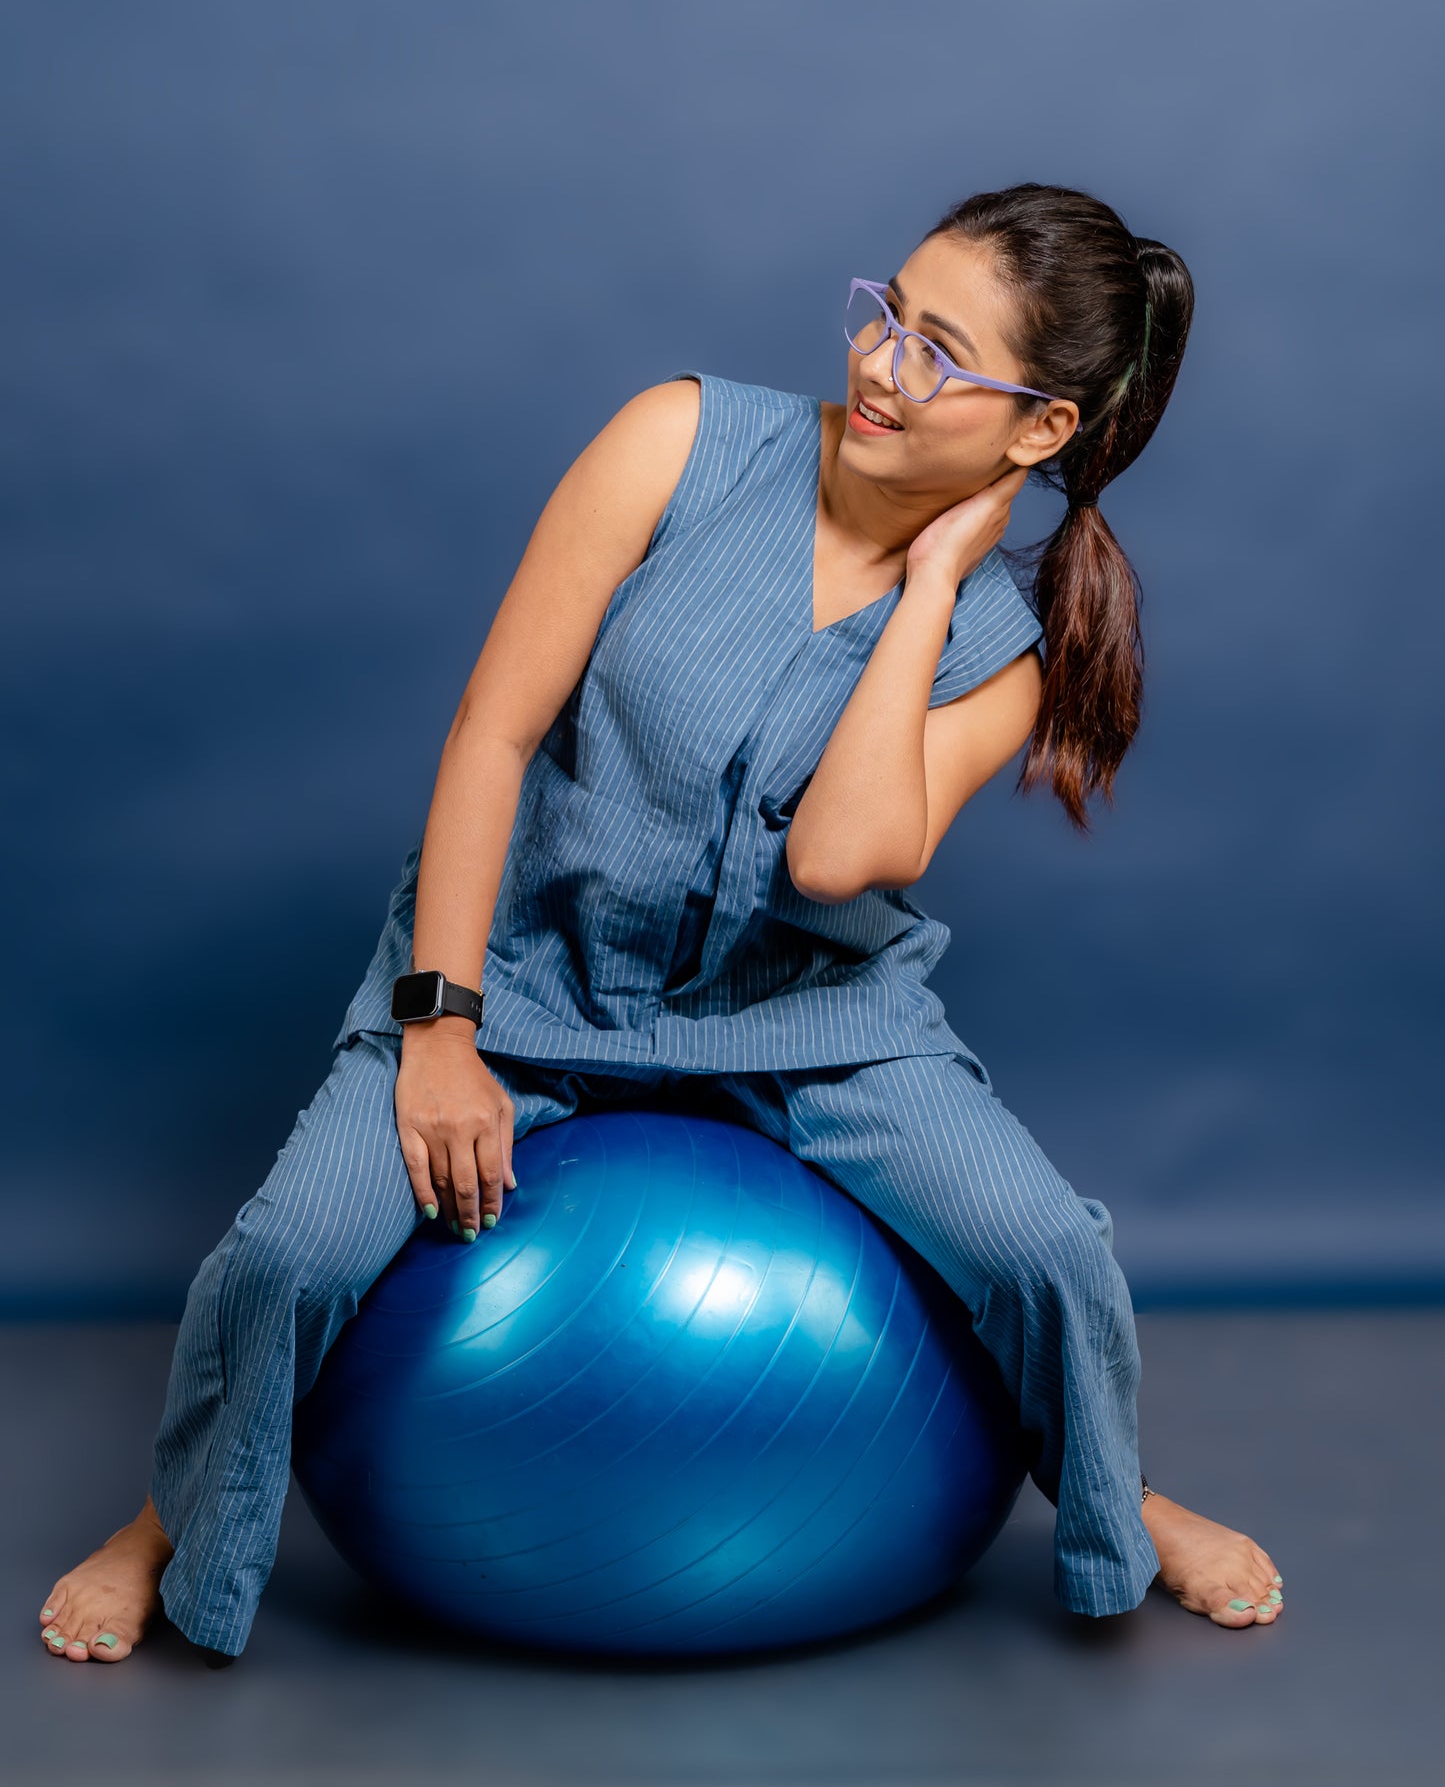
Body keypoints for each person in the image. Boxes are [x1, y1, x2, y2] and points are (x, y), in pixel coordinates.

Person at [39, 182, 1282, 1666]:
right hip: (521, 977)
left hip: (805, 1025)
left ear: (1038, 432)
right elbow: (491, 735)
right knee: (287, 1255)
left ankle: (1114, 1508)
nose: (882, 366)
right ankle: (168, 1520)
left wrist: (933, 581)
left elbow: (835, 861)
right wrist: (440, 1027)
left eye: (941, 354)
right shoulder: (678, 442)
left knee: (1047, 1256)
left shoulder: (1000, 652)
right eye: (885, 312)